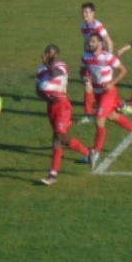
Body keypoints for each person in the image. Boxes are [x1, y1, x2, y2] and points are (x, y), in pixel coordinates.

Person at [81, 34, 132, 171]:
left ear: (100, 43)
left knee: (99, 121)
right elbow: (83, 71)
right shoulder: (86, 56)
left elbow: (123, 71)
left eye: (93, 41)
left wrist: (112, 83)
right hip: (97, 91)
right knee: (112, 116)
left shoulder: (108, 57)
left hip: (108, 92)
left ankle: (95, 153)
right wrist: (86, 82)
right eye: (89, 41)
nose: (90, 44)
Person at [37, 45, 90, 185]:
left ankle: (53, 174)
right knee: (65, 139)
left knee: (57, 138)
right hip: (51, 107)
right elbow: (38, 88)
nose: (48, 55)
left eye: (51, 53)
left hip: (62, 106)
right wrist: (44, 96)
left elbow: (54, 73)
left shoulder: (62, 66)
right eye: (47, 52)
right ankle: (89, 153)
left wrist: (46, 64)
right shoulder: (41, 70)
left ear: (57, 55)